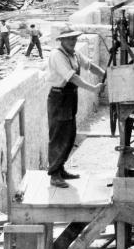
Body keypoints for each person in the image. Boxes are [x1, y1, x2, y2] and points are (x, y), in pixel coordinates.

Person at [45, 26, 106, 188]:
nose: (73, 41)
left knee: (69, 134)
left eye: (74, 38)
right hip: (59, 97)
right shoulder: (57, 55)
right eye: (69, 39)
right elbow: (73, 78)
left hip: (71, 96)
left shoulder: (75, 54)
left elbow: (89, 66)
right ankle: (54, 174)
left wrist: (106, 74)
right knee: (58, 135)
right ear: (62, 40)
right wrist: (93, 89)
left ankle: (61, 168)